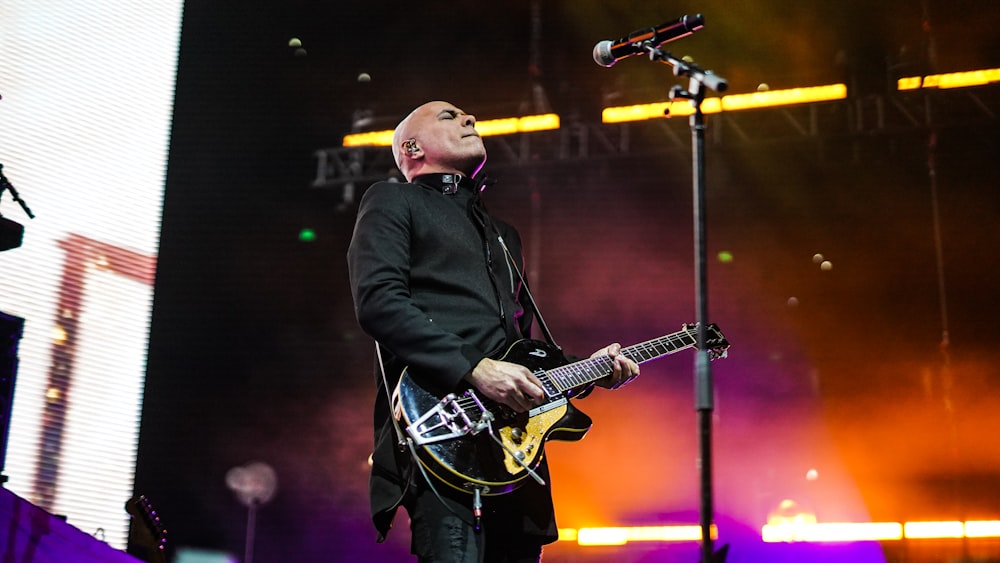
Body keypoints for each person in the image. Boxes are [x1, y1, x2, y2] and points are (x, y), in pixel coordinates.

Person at [347, 100, 640, 563]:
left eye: (468, 116)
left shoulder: (503, 234)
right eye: (449, 116)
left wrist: (589, 369)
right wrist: (475, 370)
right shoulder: (392, 200)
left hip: (513, 448)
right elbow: (379, 303)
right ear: (411, 147)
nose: (469, 119)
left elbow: (521, 349)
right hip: (441, 425)